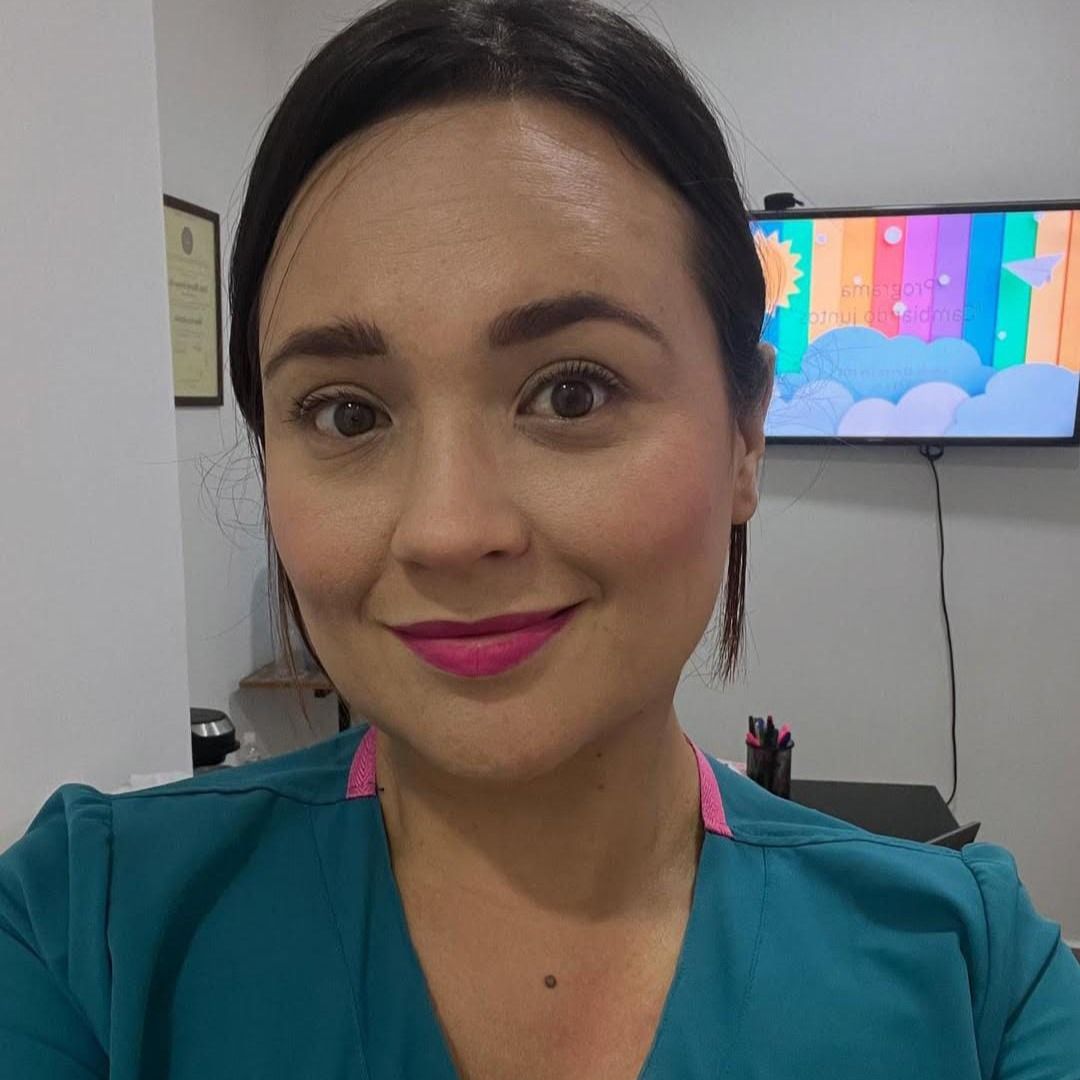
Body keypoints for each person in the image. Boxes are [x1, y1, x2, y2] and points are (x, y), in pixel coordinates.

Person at [2, 0, 1079, 1076]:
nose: (448, 530)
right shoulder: (84, 935)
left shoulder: (972, 982)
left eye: (572, 392)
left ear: (745, 432)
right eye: (347, 413)